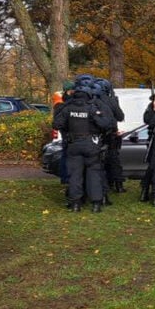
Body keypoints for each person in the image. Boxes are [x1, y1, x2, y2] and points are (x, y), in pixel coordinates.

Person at [53, 81, 116, 213]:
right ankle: (96, 204)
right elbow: (106, 124)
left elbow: (56, 124)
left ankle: (75, 204)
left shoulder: (68, 108)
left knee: (75, 175)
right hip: (90, 145)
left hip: (73, 145)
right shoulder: (91, 108)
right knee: (94, 174)